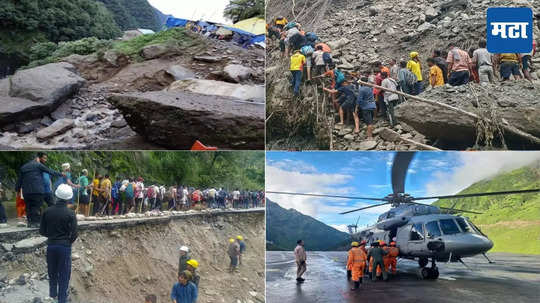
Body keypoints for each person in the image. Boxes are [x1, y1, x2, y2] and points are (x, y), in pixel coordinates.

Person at [40, 184, 78, 303]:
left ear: (56, 195)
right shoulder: (71, 213)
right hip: (64, 247)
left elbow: (42, 231)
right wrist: (67, 241)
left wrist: (52, 237)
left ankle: (52, 294)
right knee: (64, 273)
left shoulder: (47, 211)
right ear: (68, 198)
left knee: (52, 271)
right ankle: (62, 299)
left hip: (51, 245)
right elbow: (75, 233)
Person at [15, 152, 63, 228]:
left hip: (26, 191)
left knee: (28, 207)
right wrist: (61, 174)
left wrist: (17, 190)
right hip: (37, 190)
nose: (45, 160)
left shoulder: (23, 167)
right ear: (37, 158)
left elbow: (19, 180)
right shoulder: (38, 165)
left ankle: (30, 223)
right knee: (36, 207)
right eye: (43, 158)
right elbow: (50, 171)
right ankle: (36, 223)